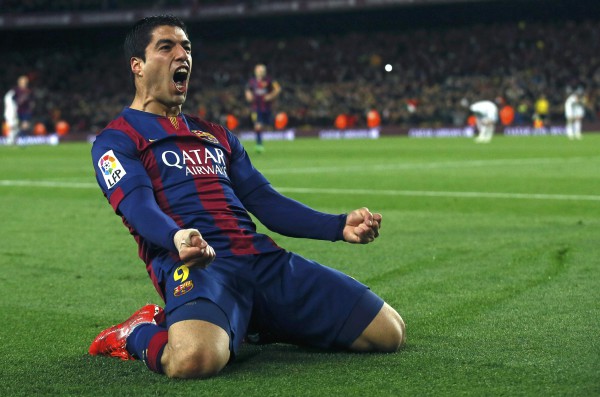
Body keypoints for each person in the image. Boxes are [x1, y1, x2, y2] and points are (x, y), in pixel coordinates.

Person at [88, 15, 405, 380]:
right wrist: (178, 237)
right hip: (199, 266)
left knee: (388, 332)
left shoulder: (216, 134)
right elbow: (138, 206)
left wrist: (337, 225)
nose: (183, 55)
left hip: (259, 259)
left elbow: (264, 200)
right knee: (193, 360)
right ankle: (137, 333)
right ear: (138, 66)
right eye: (167, 47)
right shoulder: (116, 140)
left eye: (186, 47)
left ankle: (256, 319)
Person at [244, 63, 281, 153]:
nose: (260, 72)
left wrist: (271, 96)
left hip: (267, 107)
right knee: (258, 125)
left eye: (262, 70)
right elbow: (247, 90)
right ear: (255, 71)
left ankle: (263, 141)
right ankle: (259, 144)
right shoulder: (252, 81)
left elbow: (278, 88)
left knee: (267, 125)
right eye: (259, 70)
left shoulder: (269, 80)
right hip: (256, 107)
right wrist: (248, 95)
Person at [3, 75, 33, 145]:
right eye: (22, 82)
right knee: (14, 126)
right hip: (16, 112)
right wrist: (12, 111)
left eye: (25, 82)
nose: (24, 83)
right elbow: (10, 101)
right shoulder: (15, 91)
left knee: (24, 126)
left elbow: (30, 102)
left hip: (25, 112)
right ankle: (12, 141)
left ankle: (22, 140)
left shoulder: (28, 91)